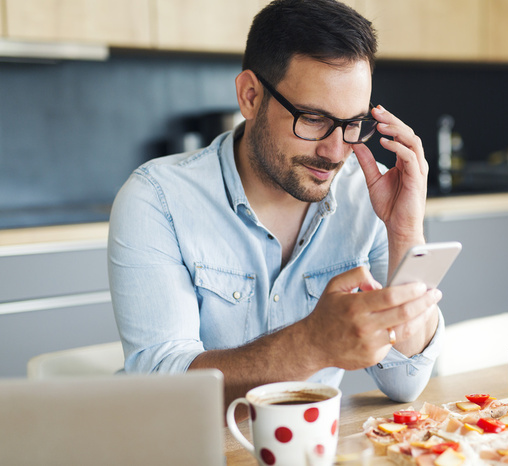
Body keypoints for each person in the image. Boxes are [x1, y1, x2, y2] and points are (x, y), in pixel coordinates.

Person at [108, 0, 444, 407]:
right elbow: (162, 393)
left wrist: (405, 232)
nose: (336, 151)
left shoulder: (366, 198)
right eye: (313, 119)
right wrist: (311, 345)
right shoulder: (158, 199)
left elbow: (404, 380)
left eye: (353, 124)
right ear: (250, 96)